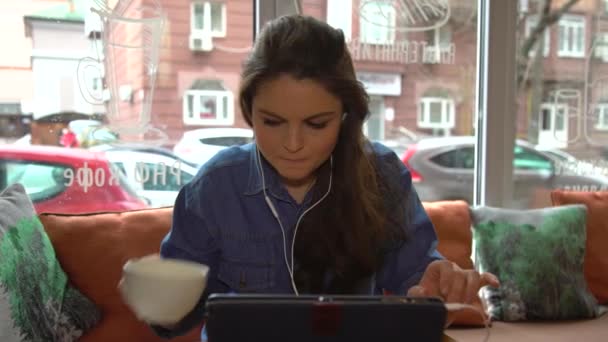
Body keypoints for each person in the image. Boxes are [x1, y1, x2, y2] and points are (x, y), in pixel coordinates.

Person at [124, 14, 499, 338]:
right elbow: (173, 320)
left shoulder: (380, 176)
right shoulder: (215, 188)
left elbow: (417, 275)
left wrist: (437, 281)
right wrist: (159, 304)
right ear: (248, 110)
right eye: (271, 122)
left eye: (316, 124)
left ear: (346, 117)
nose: (292, 144)